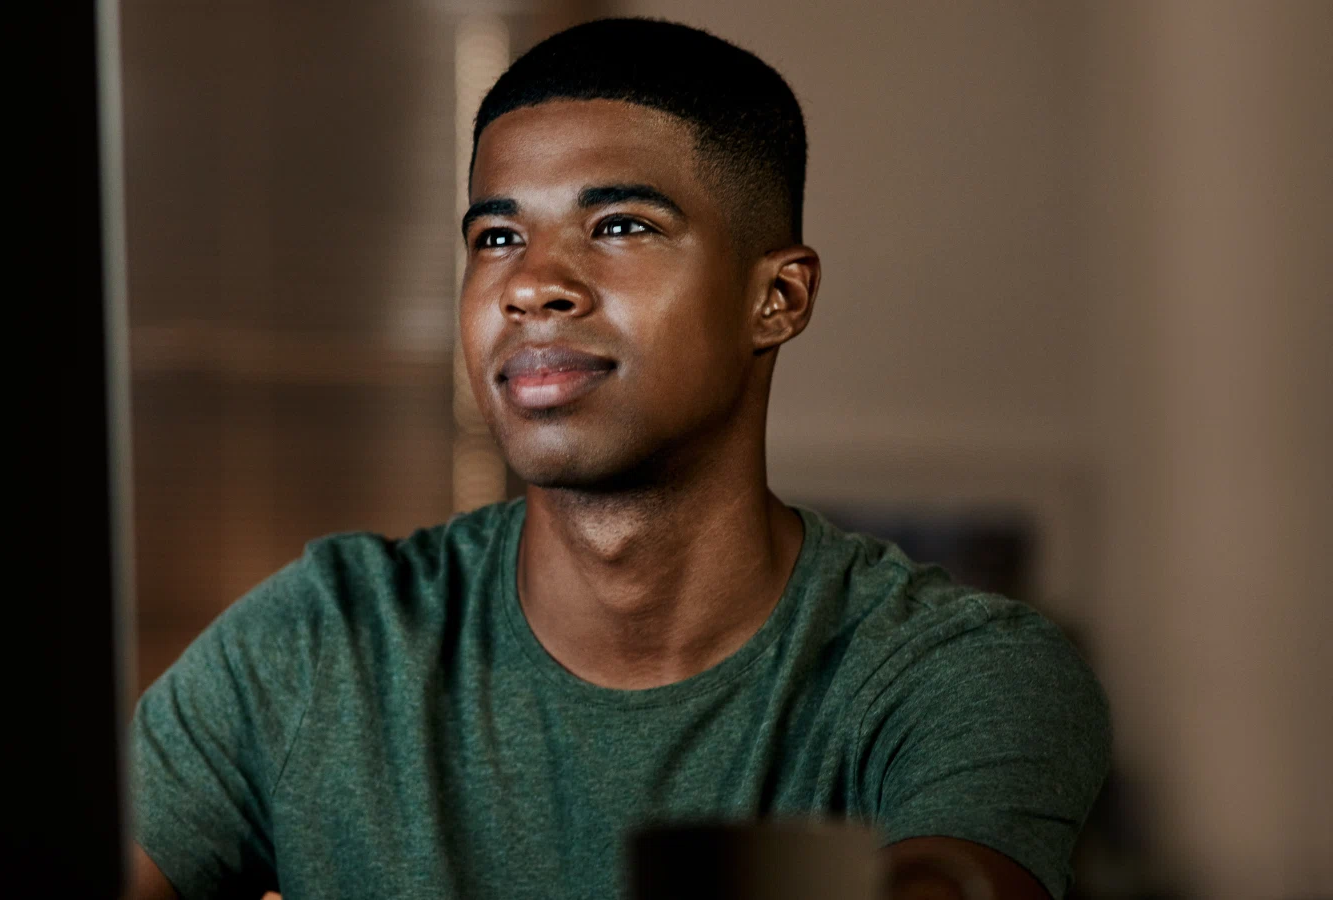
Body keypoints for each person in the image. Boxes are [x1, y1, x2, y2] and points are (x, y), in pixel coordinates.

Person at [127, 17, 1108, 900]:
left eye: (618, 226)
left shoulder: (956, 675)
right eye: (496, 235)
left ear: (776, 299)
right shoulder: (318, 644)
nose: (532, 285)